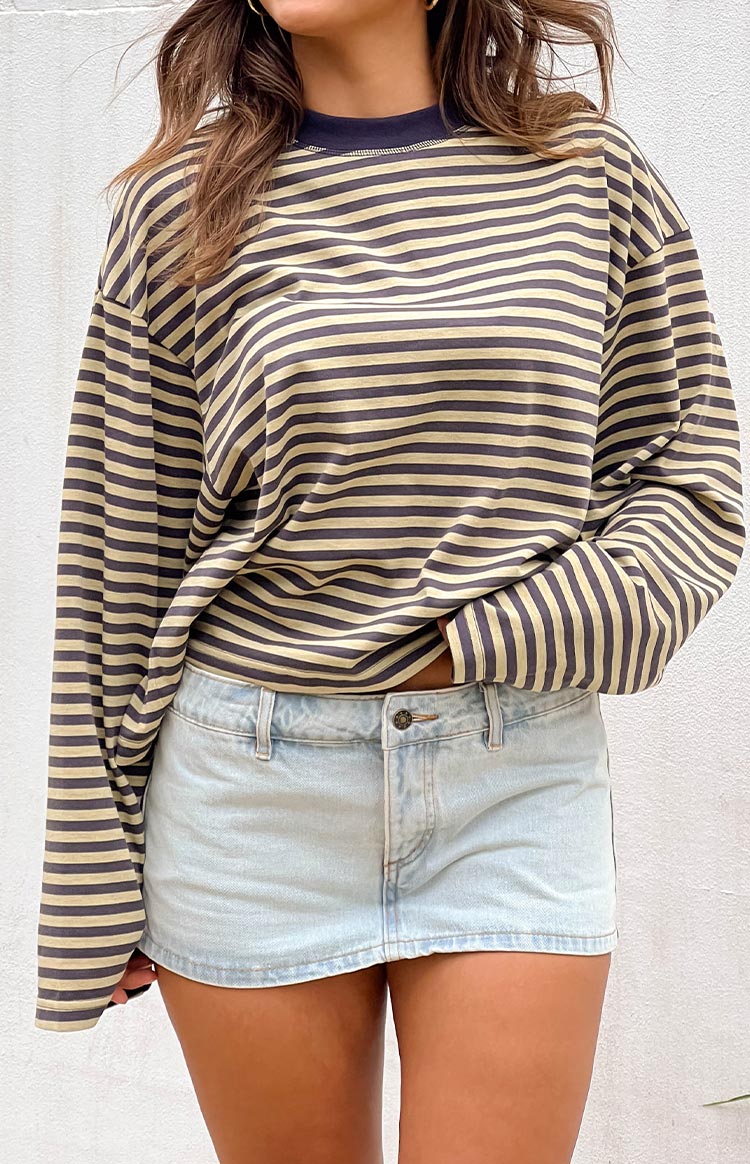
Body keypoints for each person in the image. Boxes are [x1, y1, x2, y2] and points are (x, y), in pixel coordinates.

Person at [36, 1, 745, 1161]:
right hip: (249, 789)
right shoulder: (181, 204)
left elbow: (691, 477)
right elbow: (118, 556)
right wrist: (91, 887)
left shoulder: (586, 174)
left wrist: (486, 641)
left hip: (513, 779)